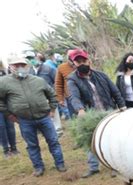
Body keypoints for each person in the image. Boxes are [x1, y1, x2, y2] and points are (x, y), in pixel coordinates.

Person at [0, 56, 66, 176]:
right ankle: (38, 167)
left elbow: (52, 94)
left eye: (22, 65)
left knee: (53, 141)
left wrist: (52, 109)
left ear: (27, 66)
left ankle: (60, 164)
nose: (20, 67)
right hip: (24, 120)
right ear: (10, 67)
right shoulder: (3, 82)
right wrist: (8, 114)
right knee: (32, 145)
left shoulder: (38, 80)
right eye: (16, 65)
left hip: (44, 117)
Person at [67, 49, 125, 178]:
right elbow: (74, 97)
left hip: (108, 111)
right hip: (90, 115)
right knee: (91, 139)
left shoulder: (101, 75)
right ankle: (94, 167)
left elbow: (115, 92)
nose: (82, 63)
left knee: (111, 139)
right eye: (78, 62)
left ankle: (115, 166)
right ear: (73, 63)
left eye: (84, 60)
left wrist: (122, 107)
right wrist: (80, 109)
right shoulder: (72, 80)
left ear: (89, 61)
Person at [0, 61, 18, 158]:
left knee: (10, 127)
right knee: (1, 128)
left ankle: (14, 148)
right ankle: (6, 150)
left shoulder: (4, 72)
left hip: (6, 106)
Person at [55, 50, 75, 119]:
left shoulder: (82, 64)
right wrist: (60, 99)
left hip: (84, 95)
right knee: (74, 117)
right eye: (70, 56)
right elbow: (58, 84)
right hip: (70, 97)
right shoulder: (62, 67)